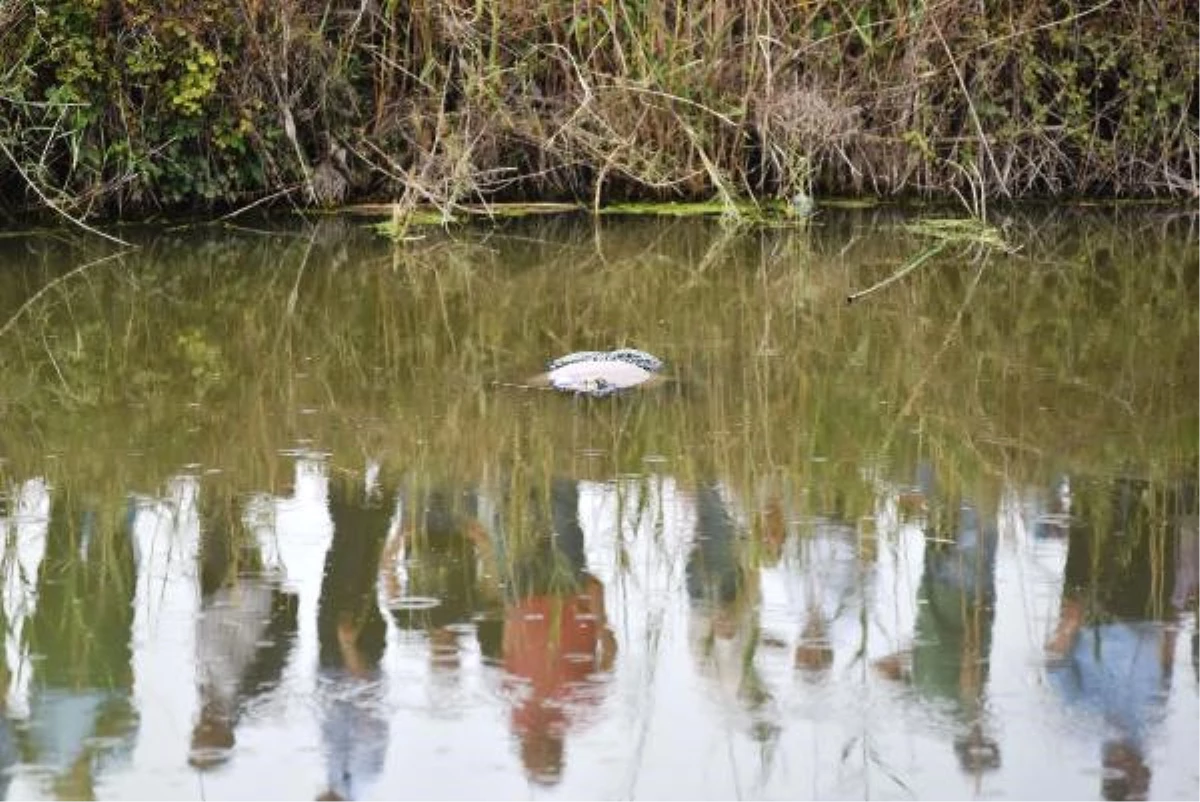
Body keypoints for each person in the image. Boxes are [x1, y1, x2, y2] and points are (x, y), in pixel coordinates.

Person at [1045, 476, 1187, 802]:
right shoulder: (1153, 723)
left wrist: (1069, 623)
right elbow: (1165, 665)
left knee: (1100, 516)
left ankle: (1101, 460)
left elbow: (1054, 664)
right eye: (1142, 778)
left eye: (1134, 778)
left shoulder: (1082, 718)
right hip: (1148, 607)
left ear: (1113, 771)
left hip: (1099, 612)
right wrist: (1171, 619)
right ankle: (1157, 458)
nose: (1139, 767)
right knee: (1157, 518)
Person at [495, 477, 616, 786]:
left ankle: (511, 456)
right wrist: (598, 616)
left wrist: (510, 609)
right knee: (561, 509)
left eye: (535, 760)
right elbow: (608, 654)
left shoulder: (516, 717)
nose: (537, 753)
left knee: (510, 514)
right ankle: (557, 454)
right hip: (567, 594)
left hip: (524, 595)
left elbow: (508, 656)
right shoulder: (580, 713)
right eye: (545, 759)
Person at [314, 472, 392, 802]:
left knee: (349, 552)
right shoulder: (362, 770)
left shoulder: (337, 776)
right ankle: (365, 477)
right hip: (354, 651)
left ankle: (352, 475)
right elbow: (367, 701)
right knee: (355, 552)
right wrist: (348, 648)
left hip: (334, 656)